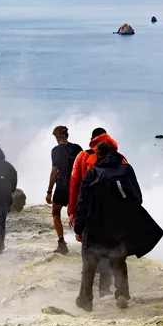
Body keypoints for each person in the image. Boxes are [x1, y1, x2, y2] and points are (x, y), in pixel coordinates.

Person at [73, 141, 163, 312]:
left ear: (98, 155)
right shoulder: (127, 170)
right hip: (120, 225)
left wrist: (79, 228)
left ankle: (85, 299)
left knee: (90, 261)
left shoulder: (92, 174)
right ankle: (122, 293)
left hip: (96, 226)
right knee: (118, 257)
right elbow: (138, 196)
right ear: (114, 152)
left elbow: (83, 204)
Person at [68, 127, 125, 296]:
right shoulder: (120, 159)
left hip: (90, 213)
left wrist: (72, 211)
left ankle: (86, 296)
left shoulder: (83, 156)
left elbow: (74, 184)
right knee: (111, 251)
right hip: (114, 214)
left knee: (90, 253)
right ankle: (105, 289)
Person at [46, 126, 83, 255]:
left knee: (55, 213)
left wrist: (49, 192)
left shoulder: (56, 150)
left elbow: (54, 172)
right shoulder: (77, 148)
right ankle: (87, 243)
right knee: (80, 215)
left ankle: (62, 244)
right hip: (76, 187)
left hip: (62, 187)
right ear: (67, 135)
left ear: (57, 136)